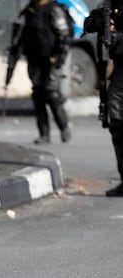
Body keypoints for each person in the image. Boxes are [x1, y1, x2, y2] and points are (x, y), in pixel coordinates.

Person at [12, 0, 72, 144]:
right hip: (34, 59)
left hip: (50, 60)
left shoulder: (53, 10)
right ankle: (44, 134)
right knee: (38, 96)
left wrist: (58, 57)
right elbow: (19, 37)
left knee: (51, 94)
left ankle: (64, 127)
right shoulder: (28, 12)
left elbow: (64, 35)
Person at [85, 2, 123, 196]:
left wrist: (118, 37)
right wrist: (102, 22)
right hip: (120, 72)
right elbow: (88, 22)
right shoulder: (112, 3)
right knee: (116, 123)